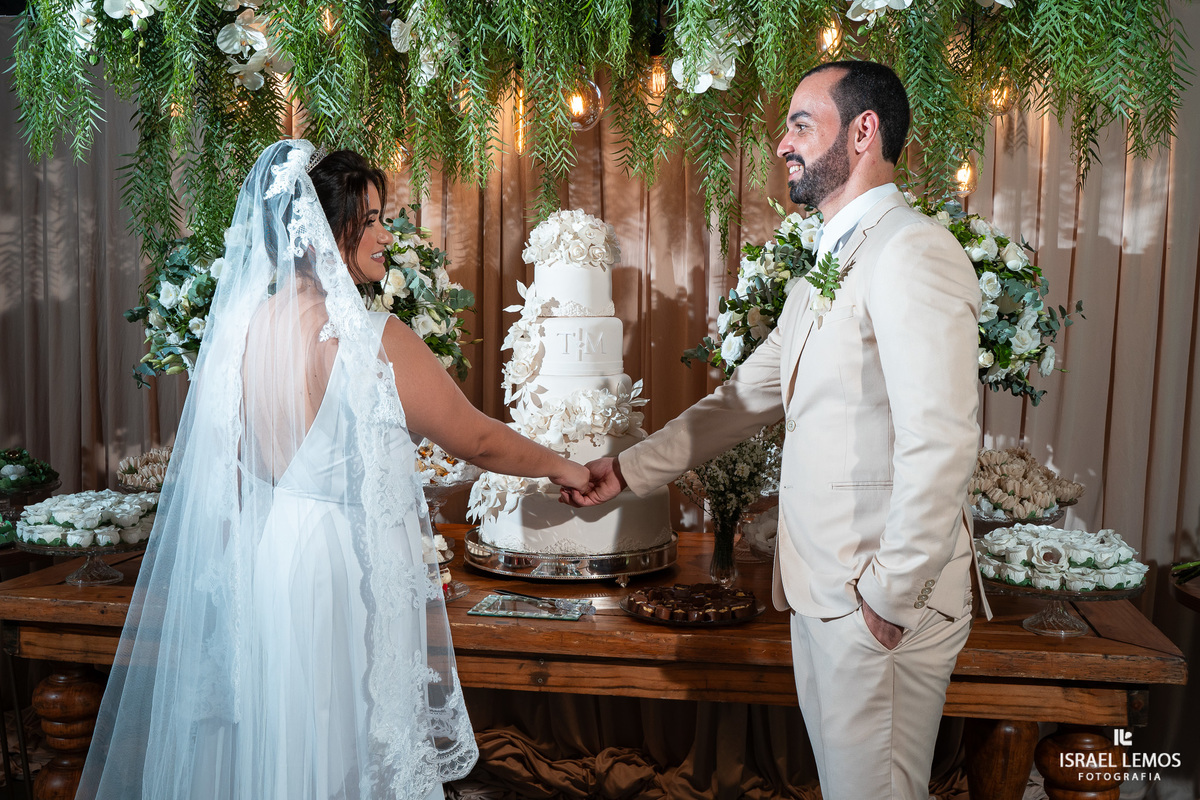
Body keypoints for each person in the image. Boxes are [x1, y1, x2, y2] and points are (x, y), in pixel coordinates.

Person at [77, 140, 591, 800]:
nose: (386, 235)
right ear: (324, 226)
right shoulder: (372, 336)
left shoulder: (244, 329)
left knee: (286, 731)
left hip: (270, 557)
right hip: (335, 566)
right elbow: (478, 440)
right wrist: (564, 468)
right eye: (370, 218)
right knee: (339, 734)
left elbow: (227, 469)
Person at [564, 61, 983, 800]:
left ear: (863, 132)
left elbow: (942, 438)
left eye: (799, 124)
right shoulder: (828, 262)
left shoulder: (910, 250)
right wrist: (625, 471)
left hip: (875, 598)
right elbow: (741, 402)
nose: (781, 144)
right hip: (826, 590)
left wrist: (888, 597)